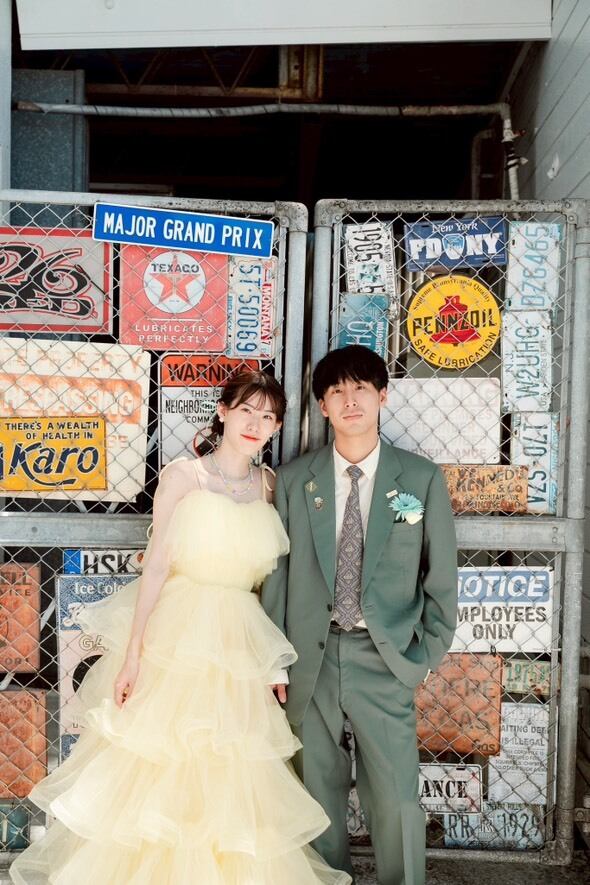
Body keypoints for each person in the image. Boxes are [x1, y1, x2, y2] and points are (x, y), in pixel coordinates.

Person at [11, 370, 351, 885]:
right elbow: (156, 565)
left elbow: (277, 584)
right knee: (166, 758)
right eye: (246, 411)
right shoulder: (183, 476)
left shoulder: (269, 486)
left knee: (232, 763)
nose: (255, 424)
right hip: (181, 629)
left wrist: (271, 660)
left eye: (267, 416)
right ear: (223, 412)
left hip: (240, 638)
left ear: (277, 426)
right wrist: (133, 654)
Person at [262, 346, 458, 885]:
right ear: (322, 406)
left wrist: (423, 655)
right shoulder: (295, 480)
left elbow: (441, 577)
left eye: (361, 389)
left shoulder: (419, 478)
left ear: (382, 397)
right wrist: (275, 659)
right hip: (310, 657)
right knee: (316, 794)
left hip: (385, 656)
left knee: (396, 796)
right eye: (336, 392)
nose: (350, 401)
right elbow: (278, 575)